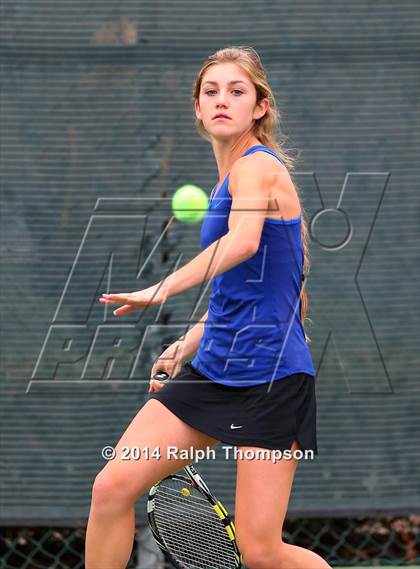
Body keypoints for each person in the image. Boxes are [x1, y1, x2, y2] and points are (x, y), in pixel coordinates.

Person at [85, 46, 332, 569]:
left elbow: (243, 244)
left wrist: (161, 289)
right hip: (215, 368)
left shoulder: (258, 167)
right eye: (211, 92)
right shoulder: (227, 180)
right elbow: (250, 289)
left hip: (272, 379)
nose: (222, 101)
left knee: (261, 552)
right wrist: (188, 342)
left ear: (259, 108)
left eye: (237, 91)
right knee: (111, 488)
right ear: (197, 108)